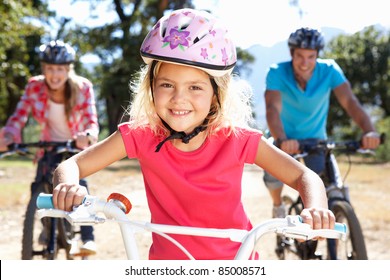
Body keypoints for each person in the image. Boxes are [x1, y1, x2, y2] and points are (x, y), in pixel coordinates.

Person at [51, 9, 335, 260]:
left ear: (216, 94)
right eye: (166, 85)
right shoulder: (142, 134)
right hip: (166, 267)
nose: (179, 99)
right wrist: (68, 186)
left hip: (236, 264)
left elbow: (304, 176)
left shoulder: (237, 138)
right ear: (151, 87)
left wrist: (316, 207)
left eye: (195, 87)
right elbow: (71, 165)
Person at [262, 27, 381, 219]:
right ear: (292, 53)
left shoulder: (329, 70)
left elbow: (350, 102)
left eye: (311, 56)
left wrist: (369, 131)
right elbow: (272, 109)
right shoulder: (277, 72)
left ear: (318, 55)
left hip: (315, 139)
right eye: (300, 56)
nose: (305, 63)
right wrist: (282, 139)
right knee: (273, 179)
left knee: (327, 187)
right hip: (284, 138)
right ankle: (278, 205)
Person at [0, 40, 99, 256]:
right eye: (50, 69)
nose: (55, 75)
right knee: (38, 185)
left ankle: (87, 236)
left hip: (74, 145)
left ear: (68, 69)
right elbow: (19, 115)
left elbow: (92, 121)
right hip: (47, 146)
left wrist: (88, 136)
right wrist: (8, 134)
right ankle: (46, 227)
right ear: (44, 69)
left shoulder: (83, 87)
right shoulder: (35, 85)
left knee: (78, 183)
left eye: (60, 69)